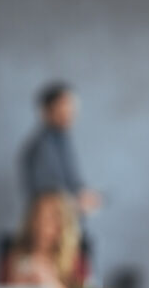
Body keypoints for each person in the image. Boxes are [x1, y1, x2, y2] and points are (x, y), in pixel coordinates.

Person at [0, 191, 89, 288]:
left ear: (62, 224)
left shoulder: (75, 261)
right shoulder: (13, 257)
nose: (42, 225)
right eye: (38, 217)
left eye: (50, 219)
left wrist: (52, 286)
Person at [20, 82, 101, 216]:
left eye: (72, 107)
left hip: (66, 221)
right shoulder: (43, 146)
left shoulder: (61, 140)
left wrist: (85, 195)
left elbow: (72, 183)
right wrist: (78, 202)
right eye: (65, 106)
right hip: (53, 225)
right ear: (47, 110)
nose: (71, 112)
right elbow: (47, 196)